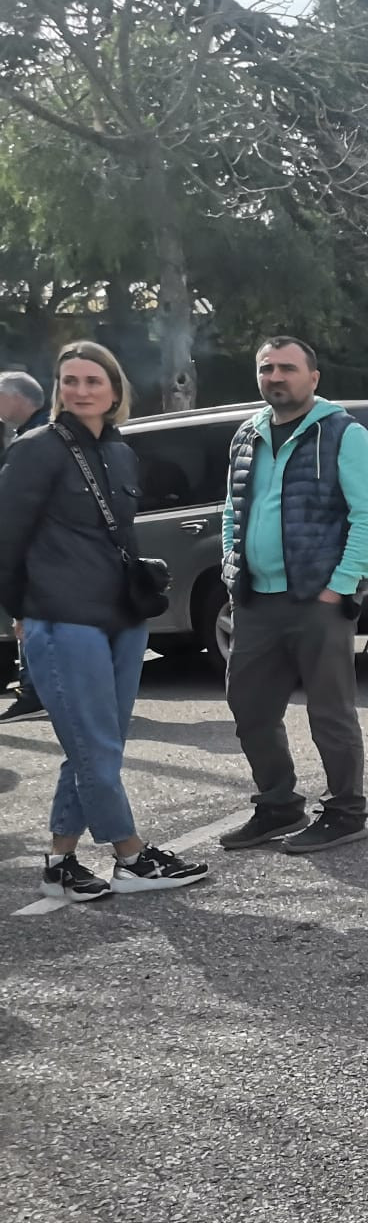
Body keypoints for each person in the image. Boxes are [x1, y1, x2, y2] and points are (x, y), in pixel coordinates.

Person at [0, 342, 210, 901]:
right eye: (69, 380)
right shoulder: (36, 450)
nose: (80, 390)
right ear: (58, 388)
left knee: (99, 744)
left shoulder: (120, 452)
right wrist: (18, 613)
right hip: (61, 616)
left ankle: (60, 865)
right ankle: (131, 856)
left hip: (122, 615)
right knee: (94, 744)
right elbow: (7, 538)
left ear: (115, 390)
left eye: (93, 380)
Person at [216, 338, 368, 855]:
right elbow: (233, 510)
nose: (276, 377)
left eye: (287, 368)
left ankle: (345, 811)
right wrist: (232, 567)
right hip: (255, 602)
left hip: (318, 600)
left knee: (329, 712)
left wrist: (340, 587)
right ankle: (277, 804)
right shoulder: (247, 434)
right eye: (266, 367)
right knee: (249, 706)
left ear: (313, 377)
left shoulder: (343, 434)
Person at [0, 369, 48, 719]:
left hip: (39, 549)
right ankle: (33, 686)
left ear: (17, 397)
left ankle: (33, 691)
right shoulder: (33, 434)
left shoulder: (36, 439)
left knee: (30, 619)